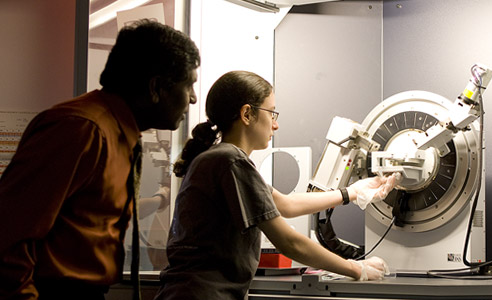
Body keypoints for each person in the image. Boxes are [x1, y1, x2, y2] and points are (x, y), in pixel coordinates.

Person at [154, 71, 399, 300]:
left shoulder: (217, 158)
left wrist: (352, 192)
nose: (275, 124)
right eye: (272, 113)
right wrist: (355, 269)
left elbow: (285, 204)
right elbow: (288, 242)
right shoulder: (231, 161)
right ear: (247, 114)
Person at [0, 20, 200, 300]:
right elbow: (9, 232)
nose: (192, 99)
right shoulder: (81, 129)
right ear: (156, 87)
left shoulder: (118, 133)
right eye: (189, 85)